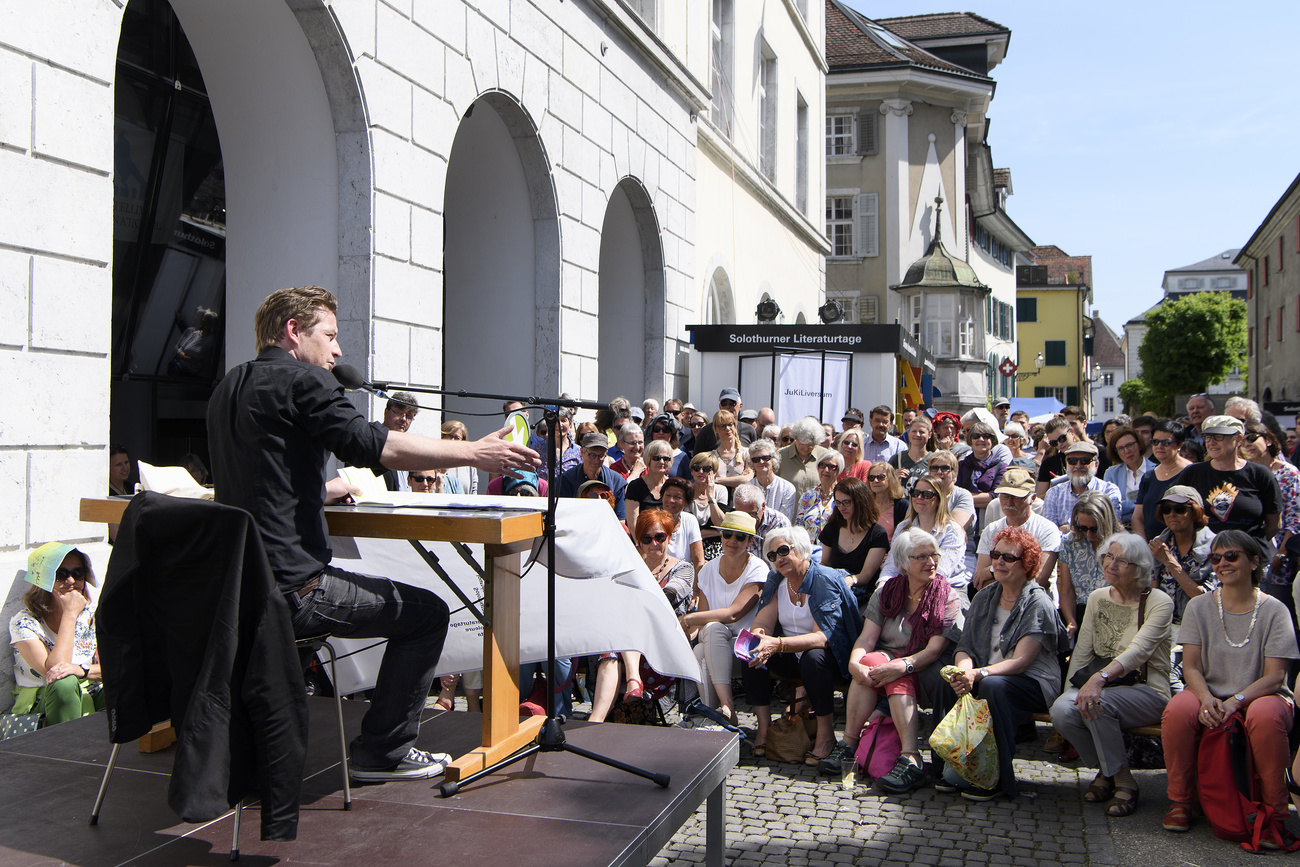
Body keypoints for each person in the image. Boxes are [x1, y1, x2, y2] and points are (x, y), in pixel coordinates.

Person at [206, 285, 537, 783]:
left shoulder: (229, 385)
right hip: (293, 590)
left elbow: (264, 475)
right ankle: (383, 752)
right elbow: (371, 445)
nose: (337, 351)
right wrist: (473, 454)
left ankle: (260, 748)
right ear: (294, 332)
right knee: (427, 614)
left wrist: (315, 492)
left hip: (233, 591)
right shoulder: (306, 381)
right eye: (330, 336)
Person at [1159, 531, 1299, 832]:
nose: (1223, 563)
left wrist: (1236, 701)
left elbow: (1275, 676)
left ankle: (1276, 814)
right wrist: (1208, 698)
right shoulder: (1199, 606)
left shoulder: (1275, 609)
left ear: (1254, 561)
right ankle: (1180, 800)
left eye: (1232, 556)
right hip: (1209, 691)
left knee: (1263, 716)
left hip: (1264, 695)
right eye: (1216, 558)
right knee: (1178, 710)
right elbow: (1191, 667)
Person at [828, 528, 964, 790]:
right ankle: (848, 744)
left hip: (926, 666)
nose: (931, 562)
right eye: (921, 556)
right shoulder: (887, 592)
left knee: (893, 673)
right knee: (867, 663)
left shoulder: (946, 596)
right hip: (889, 657)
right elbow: (867, 639)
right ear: (903, 563)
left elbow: (934, 650)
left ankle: (910, 757)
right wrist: (854, 662)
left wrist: (901, 665)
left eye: (934, 554)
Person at [1051, 533, 1174, 818]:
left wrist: (1100, 679)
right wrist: (1071, 690)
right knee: (1061, 711)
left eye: (1121, 560)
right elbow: (1082, 651)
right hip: (1102, 687)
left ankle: (1124, 782)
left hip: (1147, 691)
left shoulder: (1159, 602)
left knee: (1098, 703)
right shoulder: (1096, 597)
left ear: (1140, 568)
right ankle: (1109, 772)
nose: (1111, 565)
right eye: (1108, 557)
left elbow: (1139, 651)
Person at [940, 527, 1064, 800]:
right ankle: (950, 767)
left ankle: (997, 780)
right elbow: (965, 646)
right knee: (949, 681)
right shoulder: (985, 596)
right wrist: (963, 671)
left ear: (1027, 564)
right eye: (996, 554)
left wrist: (978, 673)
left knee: (993, 688)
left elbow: (1021, 662)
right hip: (988, 676)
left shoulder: (1038, 602)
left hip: (1034, 683)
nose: (998, 562)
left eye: (1008, 558)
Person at [742, 526, 862, 763]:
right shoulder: (777, 579)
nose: (778, 559)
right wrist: (759, 636)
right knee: (750, 649)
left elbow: (822, 638)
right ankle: (764, 728)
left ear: (802, 549)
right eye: (772, 555)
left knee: (812, 658)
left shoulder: (824, 579)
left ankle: (826, 735)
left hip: (831, 659)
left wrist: (776, 644)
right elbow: (763, 620)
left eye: (784, 551)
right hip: (790, 654)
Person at [588, 509, 695, 722]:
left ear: (669, 537)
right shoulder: (630, 569)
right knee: (609, 652)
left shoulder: (684, 569)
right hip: (623, 644)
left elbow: (665, 599)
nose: (654, 543)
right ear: (639, 542)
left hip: (662, 649)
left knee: (626, 627)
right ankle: (596, 721)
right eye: (647, 538)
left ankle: (633, 679)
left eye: (660, 537)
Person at [679, 511, 767, 724]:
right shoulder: (708, 569)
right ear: (721, 536)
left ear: (750, 541)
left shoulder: (758, 568)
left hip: (746, 648)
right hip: (716, 645)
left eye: (740, 537)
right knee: (702, 644)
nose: (732, 541)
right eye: (727, 534)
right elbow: (704, 619)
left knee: (711, 631)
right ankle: (718, 716)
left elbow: (733, 614)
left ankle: (725, 708)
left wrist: (688, 619)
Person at [9, 544, 103, 725]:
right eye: (61, 574)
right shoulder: (24, 622)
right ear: (44, 579)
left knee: (123, 686)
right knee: (64, 684)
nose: (70, 581)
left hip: (89, 694)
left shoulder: (92, 616)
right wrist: (69, 614)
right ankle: (66, 751)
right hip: (43, 709)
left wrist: (81, 671)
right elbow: (55, 671)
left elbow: (115, 668)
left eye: (78, 573)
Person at [1173, 415, 1281, 546]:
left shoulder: (1260, 474)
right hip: (1204, 557)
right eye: (1208, 437)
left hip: (1249, 558)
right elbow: (1175, 514)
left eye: (1219, 437)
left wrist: (1250, 547)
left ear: (1239, 439)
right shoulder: (1192, 473)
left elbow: (1274, 525)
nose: (1211, 442)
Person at [973, 468, 1061, 592]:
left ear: (1033, 498)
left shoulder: (1047, 530)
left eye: (1016, 497)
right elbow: (981, 581)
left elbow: (1038, 580)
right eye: (1004, 495)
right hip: (995, 602)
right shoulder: (991, 529)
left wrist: (992, 571)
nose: (1009, 502)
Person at [880, 474, 971, 595]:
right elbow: (892, 564)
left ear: (939, 499)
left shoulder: (952, 530)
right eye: (915, 493)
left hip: (948, 588)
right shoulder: (903, 527)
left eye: (927, 495)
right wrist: (882, 586)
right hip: (907, 586)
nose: (919, 497)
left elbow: (940, 572)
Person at [1147, 486, 1215, 647]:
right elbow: (1152, 588)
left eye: (1179, 509)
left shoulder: (1215, 547)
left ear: (1195, 511)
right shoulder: (1159, 543)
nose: (1172, 514)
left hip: (1200, 627)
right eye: (1166, 509)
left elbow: (1205, 599)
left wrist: (1169, 562)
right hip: (1163, 624)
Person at [1240, 420, 1300, 601]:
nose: (1247, 444)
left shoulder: (1289, 473)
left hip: (1282, 557)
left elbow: (1295, 518)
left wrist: (1281, 555)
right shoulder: (1242, 472)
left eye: (1251, 437)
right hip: (1248, 554)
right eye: (1242, 440)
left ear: (1267, 440)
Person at [1057, 492, 1120, 639]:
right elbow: (1066, 590)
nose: (1088, 534)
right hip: (1080, 612)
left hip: (1111, 614)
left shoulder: (1122, 544)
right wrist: (1071, 621)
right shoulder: (1070, 542)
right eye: (1082, 528)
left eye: (1095, 528)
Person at [820, 477, 890, 606]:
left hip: (862, 597)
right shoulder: (832, 528)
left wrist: (851, 580)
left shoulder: (877, 534)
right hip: (833, 591)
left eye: (847, 502)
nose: (842, 507)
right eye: (838, 502)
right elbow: (825, 562)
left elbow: (867, 574)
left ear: (860, 502)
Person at [1041, 442, 1122, 530]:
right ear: (1066, 464)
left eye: (1085, 461)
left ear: (1096, 465)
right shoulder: (1054, 493)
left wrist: (1068, 528)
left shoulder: (1109, 490)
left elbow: (1109, 528)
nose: (1078, 466)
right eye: (1072, 461)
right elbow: (1050, 533)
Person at [1132, 420, 1192, 540]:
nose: (1159, 446)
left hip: (1180, 543)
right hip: (1151, 545)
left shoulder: (1191, 472)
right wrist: (1144, 546)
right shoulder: (1149, 476)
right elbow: (1138, 517)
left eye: (1166, 442)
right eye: (1155, 442)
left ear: (1180, 445)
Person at [1102, 426, 1154, 528]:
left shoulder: (1155, 470)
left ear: (1139, 444)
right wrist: (1140, 505)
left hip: (1150, 527)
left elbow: (1153, 506)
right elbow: (1110, 507)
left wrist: (1124, 505)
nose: (1126, 451)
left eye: (1130, 445)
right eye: (1120, 448)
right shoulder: (1112, 473)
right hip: (1122, 528)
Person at [776, 416, 832, 500]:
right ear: (796, 438)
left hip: (815, 511)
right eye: (802, 444)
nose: (806, 448)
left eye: (810, 445)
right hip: (789, 511)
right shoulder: (781, 456)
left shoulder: (824, 456)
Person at [733, 483, 791, 559]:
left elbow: (783, 559)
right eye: (741, 514)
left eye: (751, 514)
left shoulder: (779, 523)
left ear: (763, 506)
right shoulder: (734, 520)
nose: (746, 518)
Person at [626, 439, 675, 528]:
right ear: (648, 459)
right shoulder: (635, 487)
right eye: (656, 458)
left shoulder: (673, 486)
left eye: (666, 458)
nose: (661, 462)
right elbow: (633, 525)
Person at [660, 476, 705, 574]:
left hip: (683, 578)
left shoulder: (690, 520)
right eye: (668, 495)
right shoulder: (652, 521)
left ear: (686, 503)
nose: (671, 500)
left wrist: (696, 588)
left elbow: (699, 561)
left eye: (677, 497)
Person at [747, 437, 797, 522]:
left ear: (773, 459)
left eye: (765, 458)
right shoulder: (746, 488)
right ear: (752, 463)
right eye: (756, 459)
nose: (761, 462)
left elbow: (784, 520)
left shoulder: (787, 488)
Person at [796, 451, 843, 541]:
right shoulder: (806, 497)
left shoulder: (843, 497)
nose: (826, 470)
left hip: (834, 551)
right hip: (809, 551)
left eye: (831, 467)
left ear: (838, 470)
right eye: (822, 465)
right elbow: (799, 528)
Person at [866, 463, 908, 542]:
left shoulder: (902, 506)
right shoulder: (865, 505)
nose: (875, 481)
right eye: (871, 478)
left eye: (881, 477)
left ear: (891, 479)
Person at [890, 413, 935, 485]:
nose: (917, 435)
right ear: (908, 433)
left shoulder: (934, 460)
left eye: (922, 432)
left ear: (929, 435)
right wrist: (893, 478)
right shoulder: (897, 459)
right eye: (914, 431)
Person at [1036, 417, 1074, 497]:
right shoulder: (1048, 464)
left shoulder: (1090, 455)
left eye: (1062, 438)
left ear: (1071, 432)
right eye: (1054, 442)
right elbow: (1040, 496)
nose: (1060, 444)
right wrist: (1058, 487)